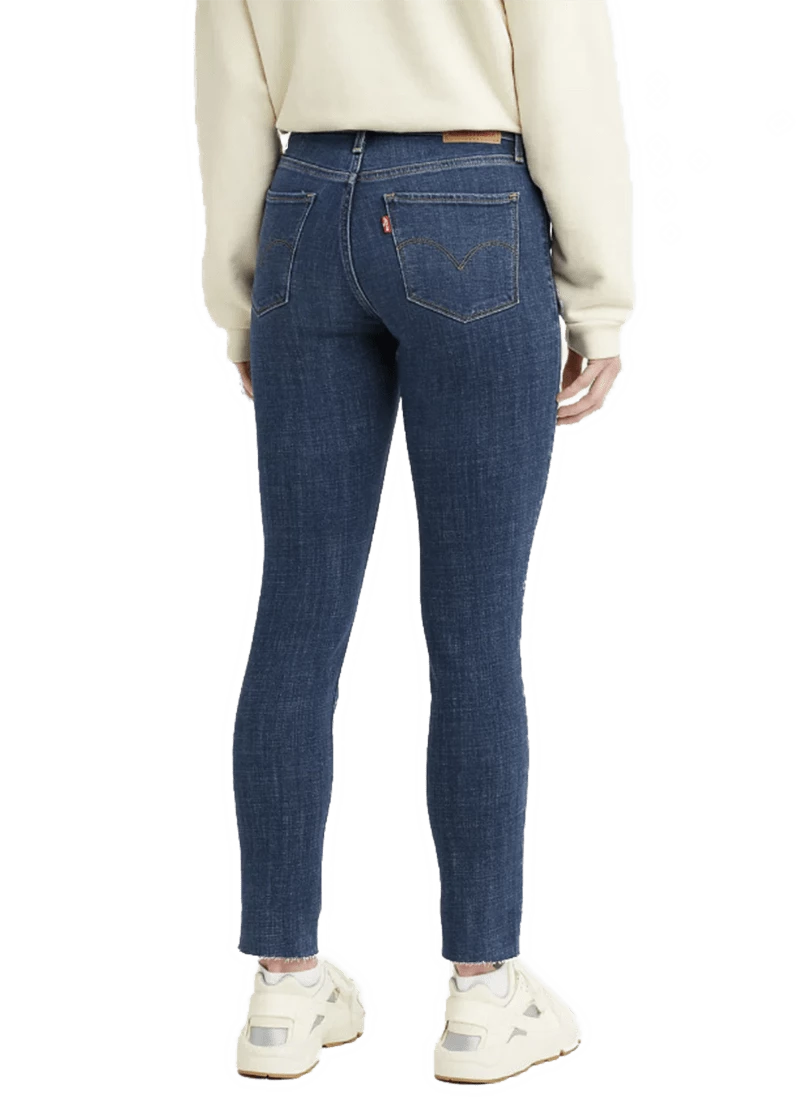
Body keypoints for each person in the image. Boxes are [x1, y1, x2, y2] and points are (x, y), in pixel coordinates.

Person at [195, 0, 634, 1085]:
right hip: (472, 200)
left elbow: (227, 92)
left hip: (301, 207)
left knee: (296, 611)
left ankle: (281, 991)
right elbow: (564, 68)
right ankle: (484, 996)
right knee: (474, 625)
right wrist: (601, 298)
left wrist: (238, 303)